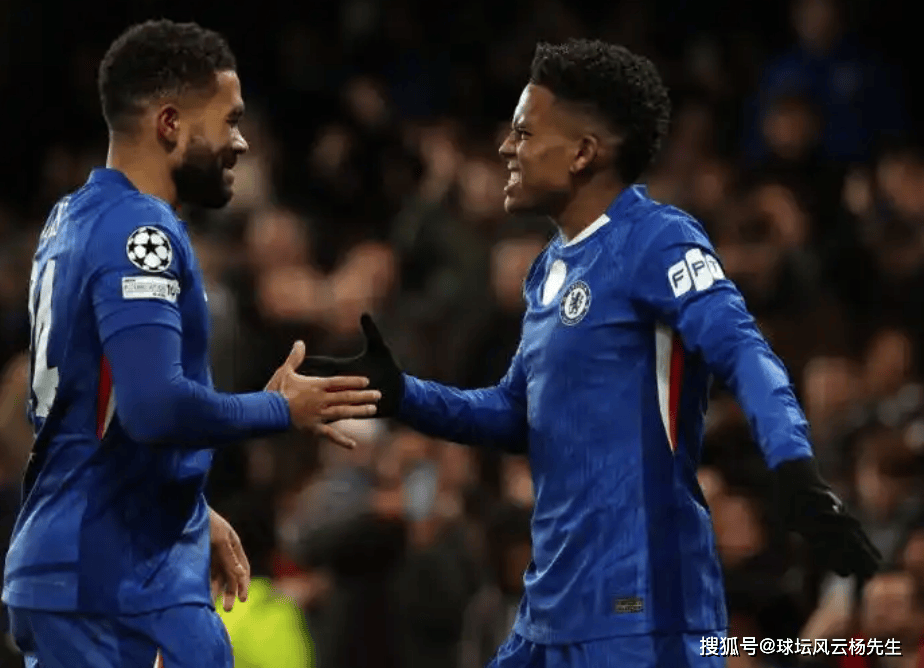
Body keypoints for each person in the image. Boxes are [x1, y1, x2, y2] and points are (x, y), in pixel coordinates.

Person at [299, 39, 881, 667]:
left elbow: (743, 350)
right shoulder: (548, 270)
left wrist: (794, 467)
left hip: (643, 607)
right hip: (552, 607)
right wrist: (402, 393)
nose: (506, 148)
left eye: (525, 132)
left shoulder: (658, 239)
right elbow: (516, 414)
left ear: (583, 152)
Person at [2, 20, 380, 668]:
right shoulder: (139, 231)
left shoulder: (71, 220)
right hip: (117, 581)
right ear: (171, 123)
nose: (241, 141)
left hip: (92, 565)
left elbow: (96, 417)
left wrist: (184, 510)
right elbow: (153, 408)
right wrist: (280, 409)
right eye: (228, 120)